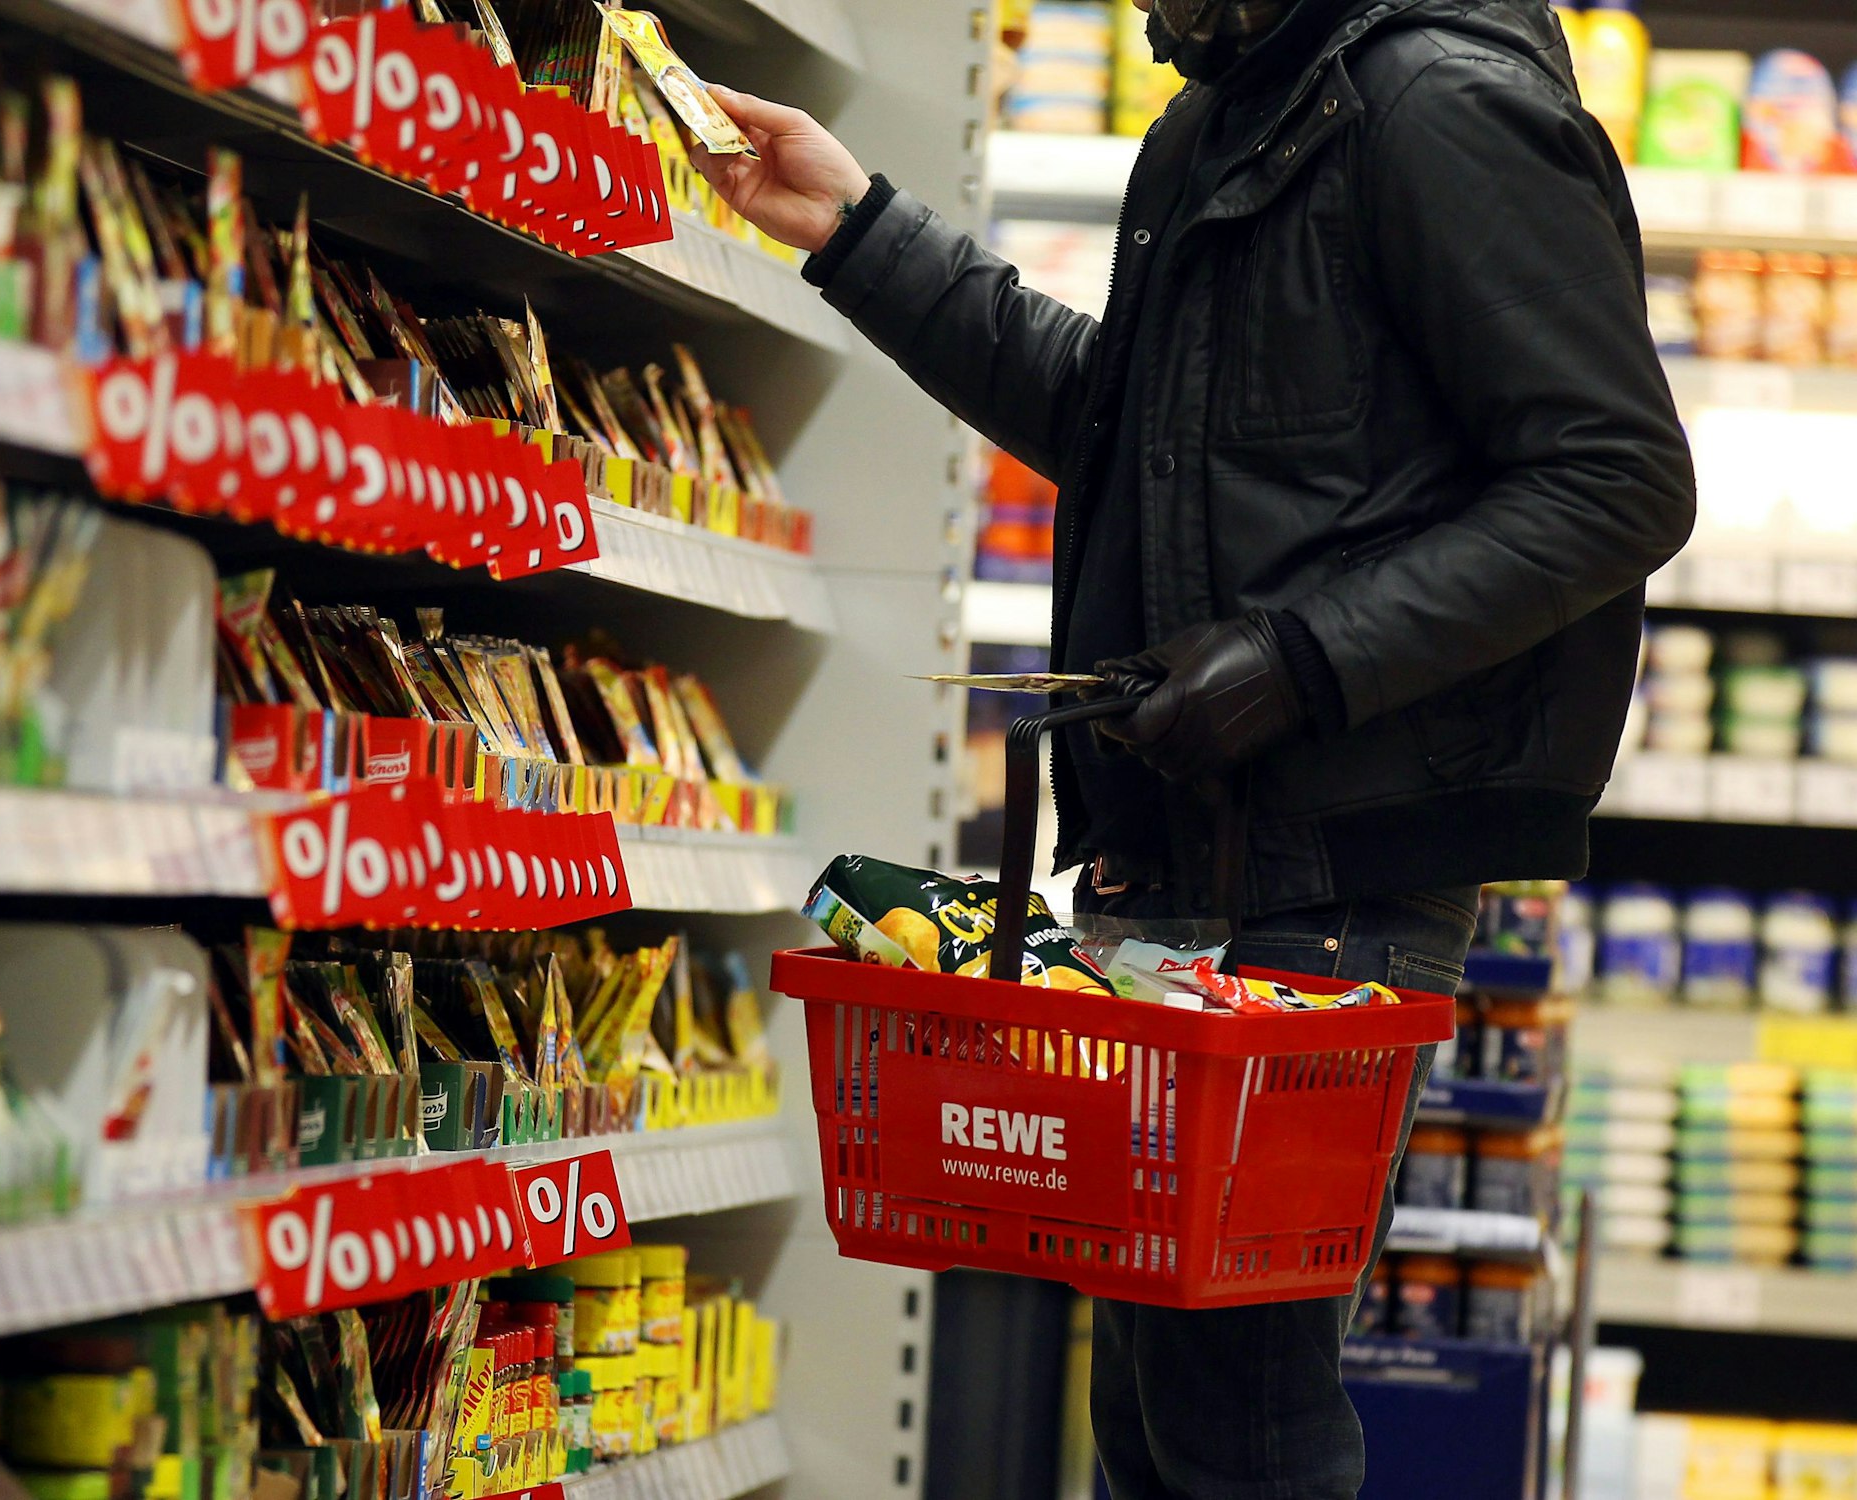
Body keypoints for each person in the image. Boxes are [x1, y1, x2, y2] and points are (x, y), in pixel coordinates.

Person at [692, 0, 1696, 1493]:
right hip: (1181, 843)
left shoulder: (1435, 105)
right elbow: (1125, 430)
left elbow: (1618, 480)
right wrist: (857, 230)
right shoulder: (1217, 124)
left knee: (1243, 1432)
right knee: (1157, 1428)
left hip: (1329, 871)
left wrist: (1300, 657)